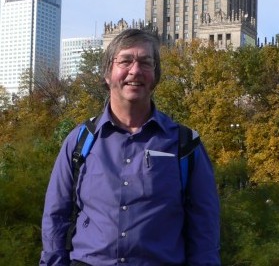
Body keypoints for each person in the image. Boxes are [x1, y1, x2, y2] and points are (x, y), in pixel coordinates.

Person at [40, 28, 221, 265]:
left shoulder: (185, 144)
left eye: (145, 62)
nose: (135, 70)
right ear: (108, 74)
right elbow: (56, 218)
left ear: (155, 76)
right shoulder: (80, 141)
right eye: (125, 61)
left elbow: (204, 229)